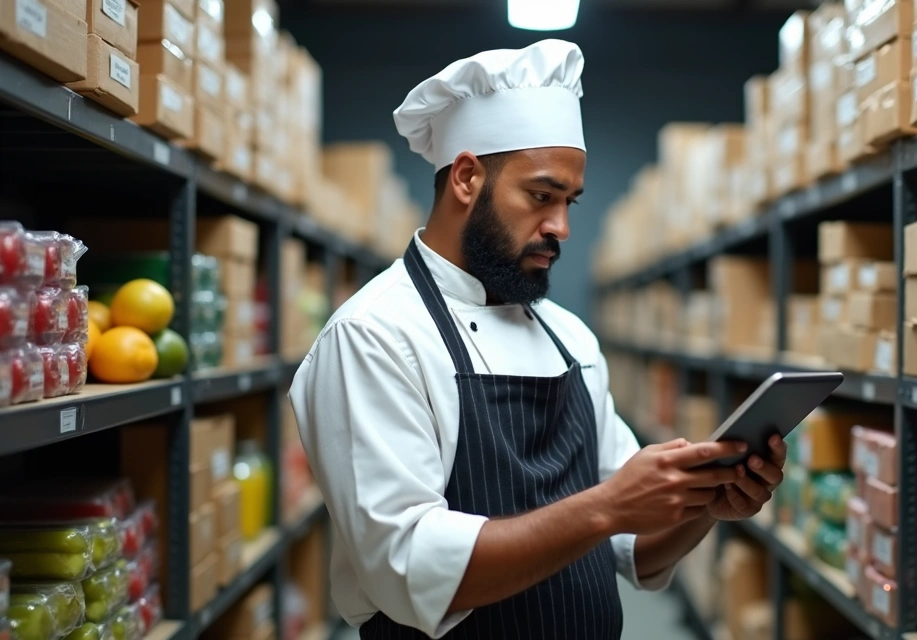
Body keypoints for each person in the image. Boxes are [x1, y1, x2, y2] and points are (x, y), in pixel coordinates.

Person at [289, 39, 788, 640]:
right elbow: (407, 567)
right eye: (541, 197)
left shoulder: (569, 338)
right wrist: (606, 505)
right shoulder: (375, 337)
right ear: (467, 178)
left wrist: (705, 505)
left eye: (570, 201)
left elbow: (631, 545)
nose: (562, 227)